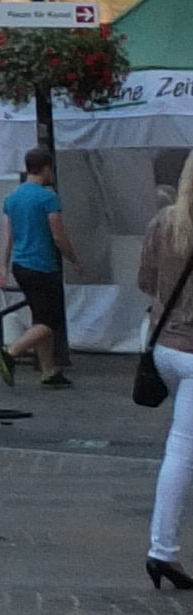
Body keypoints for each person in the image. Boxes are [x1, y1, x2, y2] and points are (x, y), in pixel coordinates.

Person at [138, 164, 193, 592]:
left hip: (164, 347)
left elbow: (146, 282)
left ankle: (165, 548)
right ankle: (162, 548)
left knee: (183, 443)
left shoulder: (165, 223)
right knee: (182, 449)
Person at [0, 143, 73, 390]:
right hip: (42, 265)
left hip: (20, 264)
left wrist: (2, 266)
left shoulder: (12, 197)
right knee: (50, 321)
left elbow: (7, 236)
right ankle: (12, 352)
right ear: (47, 168)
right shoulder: (48, 198)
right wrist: (73, 258)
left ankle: (49, 370)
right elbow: (58, 235)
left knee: (39, 317)